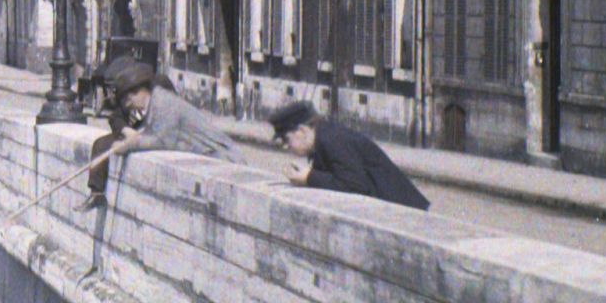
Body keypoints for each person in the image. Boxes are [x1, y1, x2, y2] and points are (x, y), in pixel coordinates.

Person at [77, 60, 234, 211]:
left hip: (223, 158)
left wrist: (128, 145)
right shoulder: (153, 102)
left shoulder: (164, 101)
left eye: (128, 98)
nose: (126, 104)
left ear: (139, 92)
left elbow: (162, 141)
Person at [268, 101, 430, 209]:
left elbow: (355, 186)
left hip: (407, 213)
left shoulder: (331, 140)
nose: (284, 145)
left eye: (286, 139)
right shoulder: (324, 137)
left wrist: (308, 177)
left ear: (302, 130)